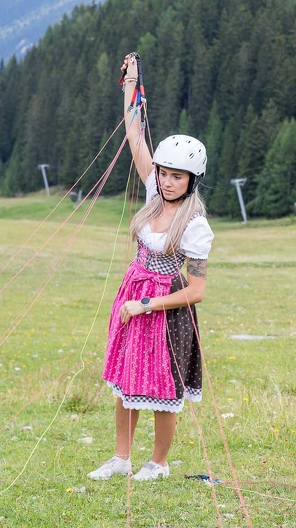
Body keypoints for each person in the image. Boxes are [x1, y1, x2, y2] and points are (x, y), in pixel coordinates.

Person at [88, 53, 214, 481]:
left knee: (161, 389)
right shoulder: (151, 194)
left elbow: (196, 290)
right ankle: (121, 458)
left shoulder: (195, 225)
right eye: (164, 173)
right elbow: (135, 135)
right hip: (132, 295)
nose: (166, 181)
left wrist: (147, 305)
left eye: (177, 176)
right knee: (126, 379)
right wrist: (132, 84)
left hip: (165, 309)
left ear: (191, 180)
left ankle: (158, 463)